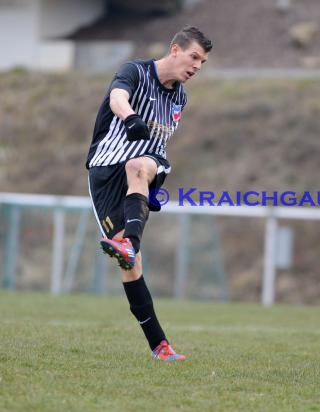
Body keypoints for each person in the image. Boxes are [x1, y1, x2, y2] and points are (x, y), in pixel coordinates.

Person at [86, 26, 212, 361]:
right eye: (194, 56)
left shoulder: (180, 97)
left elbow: (157, 146)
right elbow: (117, 98)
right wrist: (129, 118)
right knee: (131, 267)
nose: (198, 66)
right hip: (104, 171)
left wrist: (152, 182)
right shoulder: (135, 72)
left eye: (203, 62)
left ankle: (129, 243)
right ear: (174, 49)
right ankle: (160, 345)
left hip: (147, 164)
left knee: (138, 168)